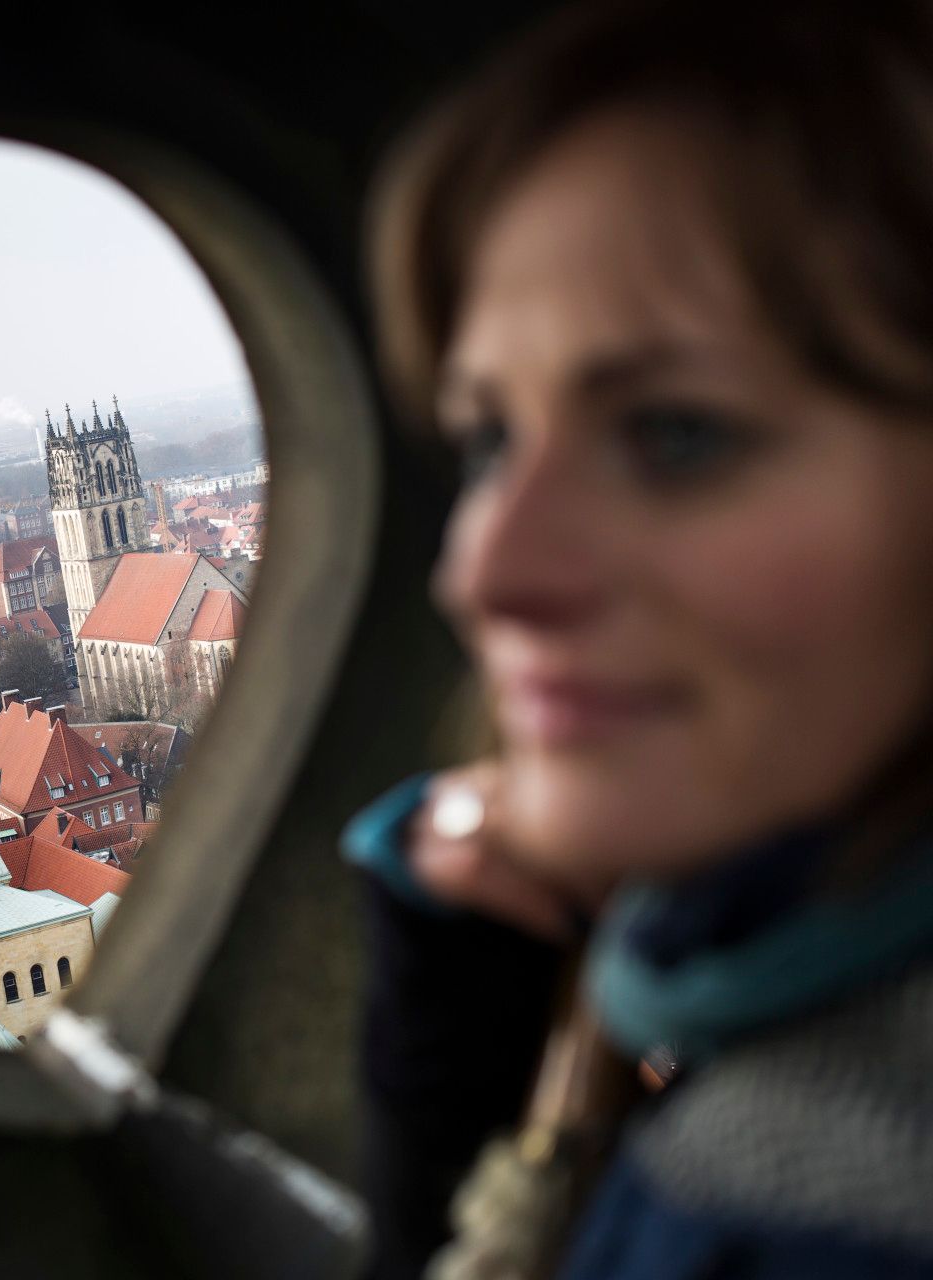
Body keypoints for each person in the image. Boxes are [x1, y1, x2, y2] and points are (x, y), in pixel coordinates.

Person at [350, 2, 933, 1276]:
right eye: (491, 439)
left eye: (678, 433)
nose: (482, 571)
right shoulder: (744, 991)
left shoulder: (804, 1203)